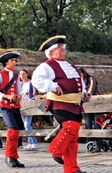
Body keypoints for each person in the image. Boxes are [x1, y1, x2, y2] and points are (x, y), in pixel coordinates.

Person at [32, 35, 91, 173]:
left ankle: (71, 168)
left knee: (73, 137)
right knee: (71, 126)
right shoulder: (46, 65)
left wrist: (84, 93)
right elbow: (37, 80)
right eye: (59, 47)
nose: (63, 48)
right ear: (51, 51)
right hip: (60, 102)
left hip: (75, 103)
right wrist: (52, 86)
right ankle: (55, 149)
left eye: (63, 46)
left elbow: (78, 82)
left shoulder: (70, 65)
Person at [0, 51, 24, 168]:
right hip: (4, 105)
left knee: (17, 131)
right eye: (12, 60)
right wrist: (7, 96)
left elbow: (19, 90)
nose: (15, 62)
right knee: (13, 129)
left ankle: (14, 157)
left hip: (15, 105)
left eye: (15, 60)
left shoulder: (16, 76)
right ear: (6, 62)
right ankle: (9, 156)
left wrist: (19, 96)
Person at [79, 67, 102, 152]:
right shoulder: (78, 82)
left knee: (97, 124)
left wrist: (83, 96)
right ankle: (91, 144)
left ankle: (98, 144)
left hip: (96, 105)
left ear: (83, 73)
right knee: (88, 124)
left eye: (80, 73)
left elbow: (90, 91)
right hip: (86, 106)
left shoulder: (91, 79)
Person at [19, 69, 38, 150]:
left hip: (29, 105)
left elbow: (33, 94)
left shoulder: (31, 83)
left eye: (23, 74)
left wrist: (30, 98)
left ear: (27, 74)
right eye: (20, 74)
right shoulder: (20, 84)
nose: (22, 76)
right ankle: (30, 143)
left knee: (27, 124)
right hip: (21, 105)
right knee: (26, 125)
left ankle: (34, 143)